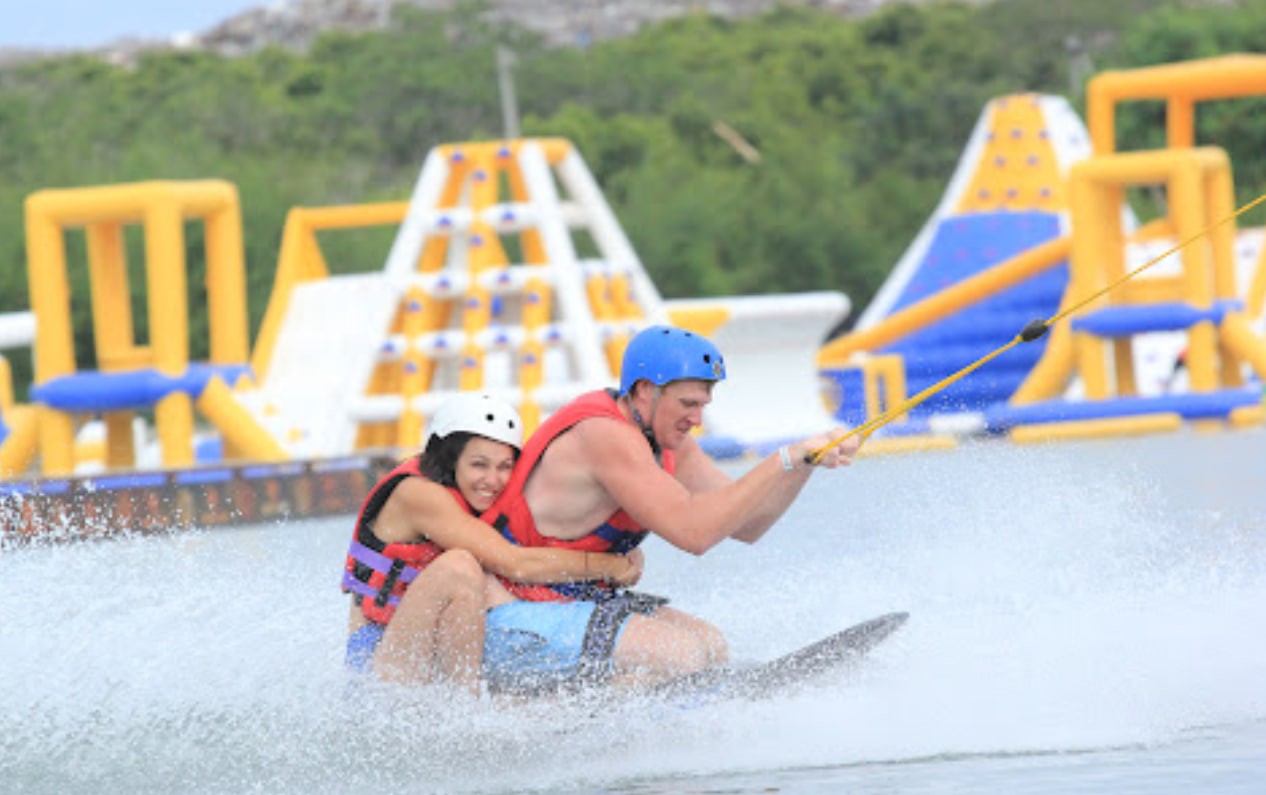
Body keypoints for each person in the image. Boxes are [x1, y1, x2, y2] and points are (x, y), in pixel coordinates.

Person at [482, 324, 862, 684]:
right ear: (646, 390)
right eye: (687, 403)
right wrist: (784, 457)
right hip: (505, 618)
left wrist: (803, 464)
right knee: (680, 655)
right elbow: (694, 533)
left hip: (566, 601)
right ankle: (566, 719)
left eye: (703, 405)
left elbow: (749, 525)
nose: (697, 419)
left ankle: (629, 707)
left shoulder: (669, 442)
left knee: (711, 646)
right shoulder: (603, 434)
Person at [341, 392, 642, 696]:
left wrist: (619, 548)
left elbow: (543, 542)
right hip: (378, 657)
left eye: (504, 466)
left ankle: (485, 700)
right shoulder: (418, 494)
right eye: (479, 465)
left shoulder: (470, 492)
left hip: (431, 648)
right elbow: (517, 563)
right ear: (450, 458)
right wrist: (608, 567)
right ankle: (466, 711)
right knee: (460, 567)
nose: (493, 480)